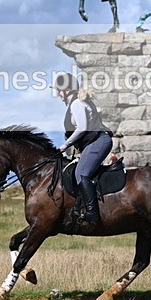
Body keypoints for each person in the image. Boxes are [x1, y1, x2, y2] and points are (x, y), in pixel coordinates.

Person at [52, 72, 113, 225]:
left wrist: (66, 144)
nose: (58, 95)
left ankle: (93, 213)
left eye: (59, 91)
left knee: (81, 173)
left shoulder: (76, 104)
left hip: (99, 141)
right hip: (95, 142)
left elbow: (82, 128)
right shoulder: (76, 103)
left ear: (67, 90)